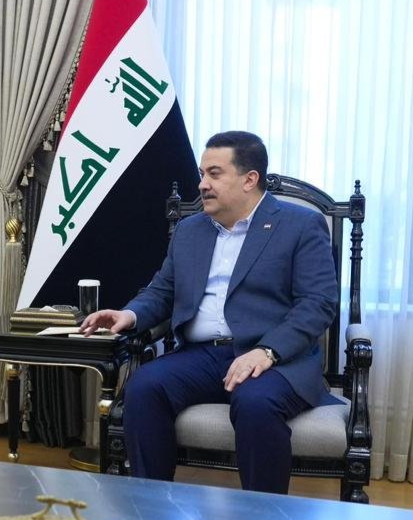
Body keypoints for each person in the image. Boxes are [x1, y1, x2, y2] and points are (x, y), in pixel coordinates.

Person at [80, 131, 339, 494]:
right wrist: (130, 315)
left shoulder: (299, 225)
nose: (202, 184)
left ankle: (263, 514)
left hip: (274, 358)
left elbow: (318, 302)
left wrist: (267, 351)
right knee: (143, 387)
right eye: (202, 174)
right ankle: (152, 504)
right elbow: (163, 290)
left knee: (255, 403)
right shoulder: (190, 230)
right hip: (201, 356)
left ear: (250, 179)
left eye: (214, 174)